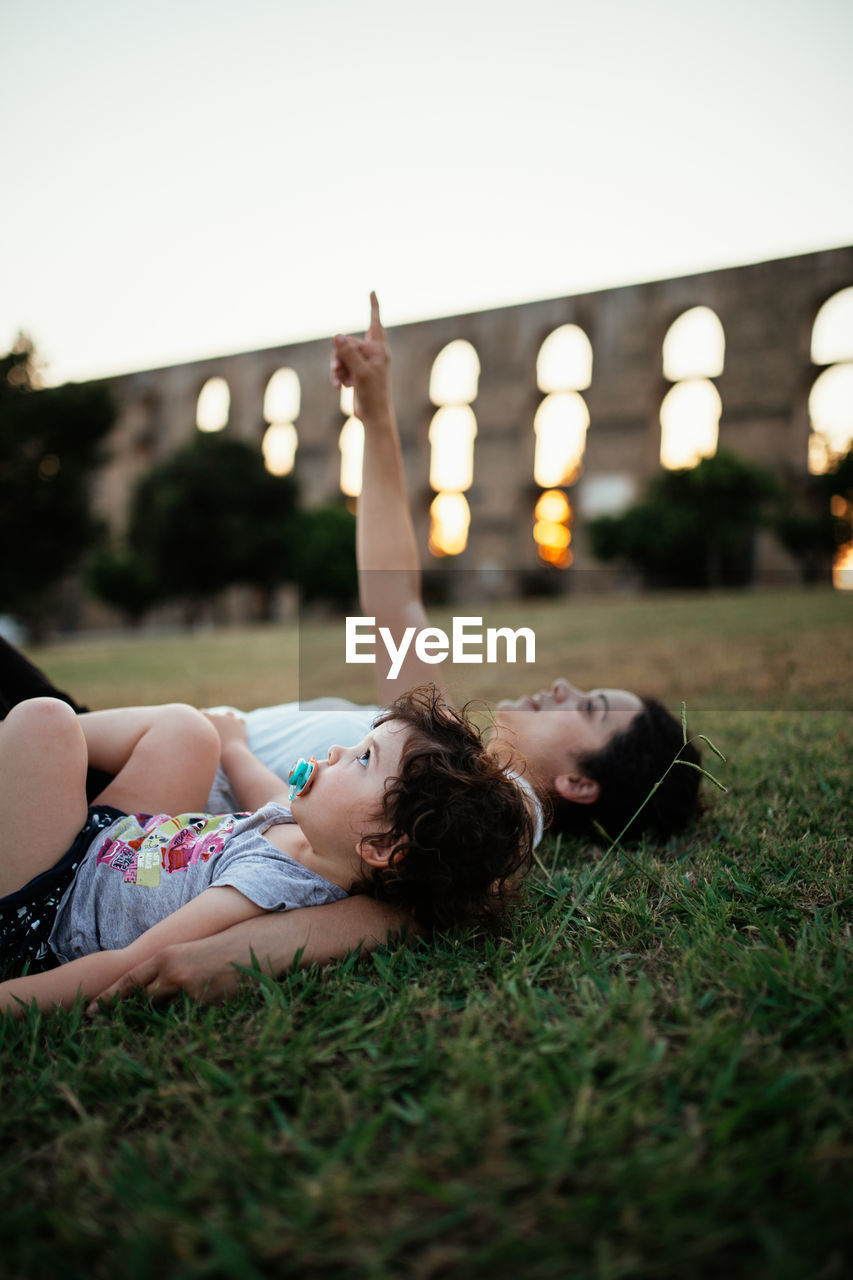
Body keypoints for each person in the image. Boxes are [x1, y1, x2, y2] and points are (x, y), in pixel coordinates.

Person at [0, 294, 701, 1005]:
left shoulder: (493, 817)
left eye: (589, 707)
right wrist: (373, 411)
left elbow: (430, 906)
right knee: (137, 727)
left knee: (53, 722)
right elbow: (395, 602)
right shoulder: (436, 754)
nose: (559, 684)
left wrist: (245, 951)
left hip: (118, 829)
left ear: (581, 784)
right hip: (129, 805)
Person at [0, 683, 533, 1013]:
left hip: (49, 903)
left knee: (44, 721)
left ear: (381, 845)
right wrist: (230, 746)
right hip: (107, 839)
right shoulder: (310, 832)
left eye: (364, 759)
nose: (337, 750)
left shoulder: (267, 888)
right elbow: (267, 795)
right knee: (190, 731)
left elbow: (130, 964)